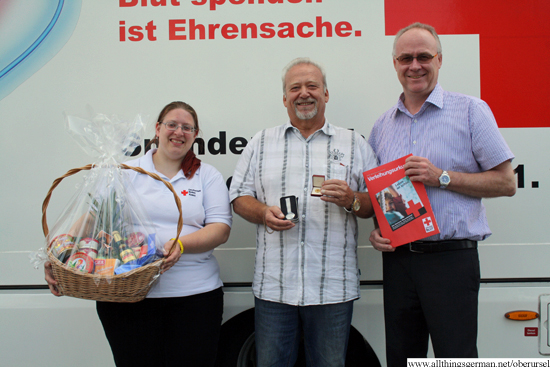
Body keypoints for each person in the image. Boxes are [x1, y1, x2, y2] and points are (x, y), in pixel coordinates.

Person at [368, 23, 516, 366]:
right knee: (403, 358)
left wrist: (442, 177)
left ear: (439, 59)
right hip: (400, 261)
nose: (415, 65)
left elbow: (506, 182)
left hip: (451, 260)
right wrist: (379, 229)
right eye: (406, 58)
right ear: (395, 64)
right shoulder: (382, 125)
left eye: (424, 56)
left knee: (456, 357)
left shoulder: (470, 110)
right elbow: (380, 195)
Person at [44, 101, 232, 367]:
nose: (179, 131)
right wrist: (61, 255)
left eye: (187, 127)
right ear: (157, 129)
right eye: (172, 124)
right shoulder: (125, 172)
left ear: (195, 135)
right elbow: (93, 217)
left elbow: (220, 229)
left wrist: (181, 243)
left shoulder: (207, 175)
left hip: (195, 297)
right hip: (126, 297)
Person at [229, 57, 377, 367]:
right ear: (284, 98)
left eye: (312, 86)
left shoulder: (355, 144)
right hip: (275, 287)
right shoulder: (261, 142)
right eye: (295, 87)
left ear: (326, 94)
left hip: (332, 288)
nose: (304, 93)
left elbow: (375, 205)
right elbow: (239, 197)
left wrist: (351, 199)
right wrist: (262, 213)